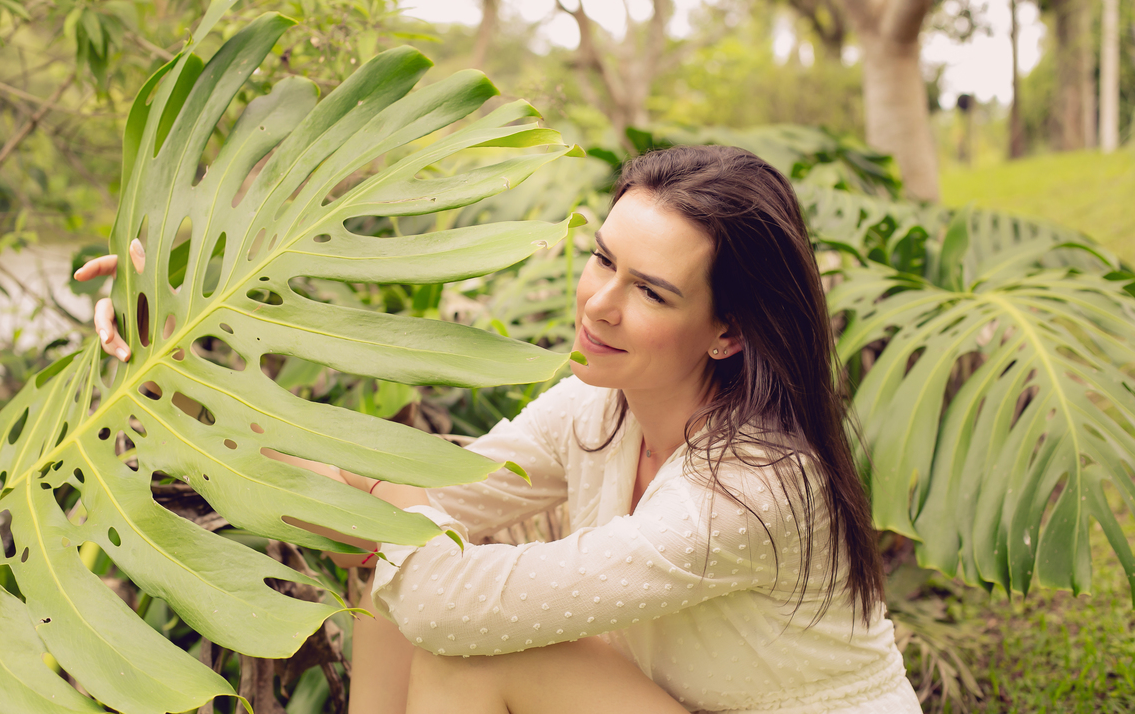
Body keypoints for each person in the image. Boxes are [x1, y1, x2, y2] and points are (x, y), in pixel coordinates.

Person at [78, 145, 921, 714]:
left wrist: (389, 506)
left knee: (456, 633)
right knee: (398, 564)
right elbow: (377, 495)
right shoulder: (597, 408)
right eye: (603, 259)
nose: (599, 303)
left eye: (650, 291)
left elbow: (436, 592)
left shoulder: (750, 489)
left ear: (728, 332)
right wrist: (179, 366)